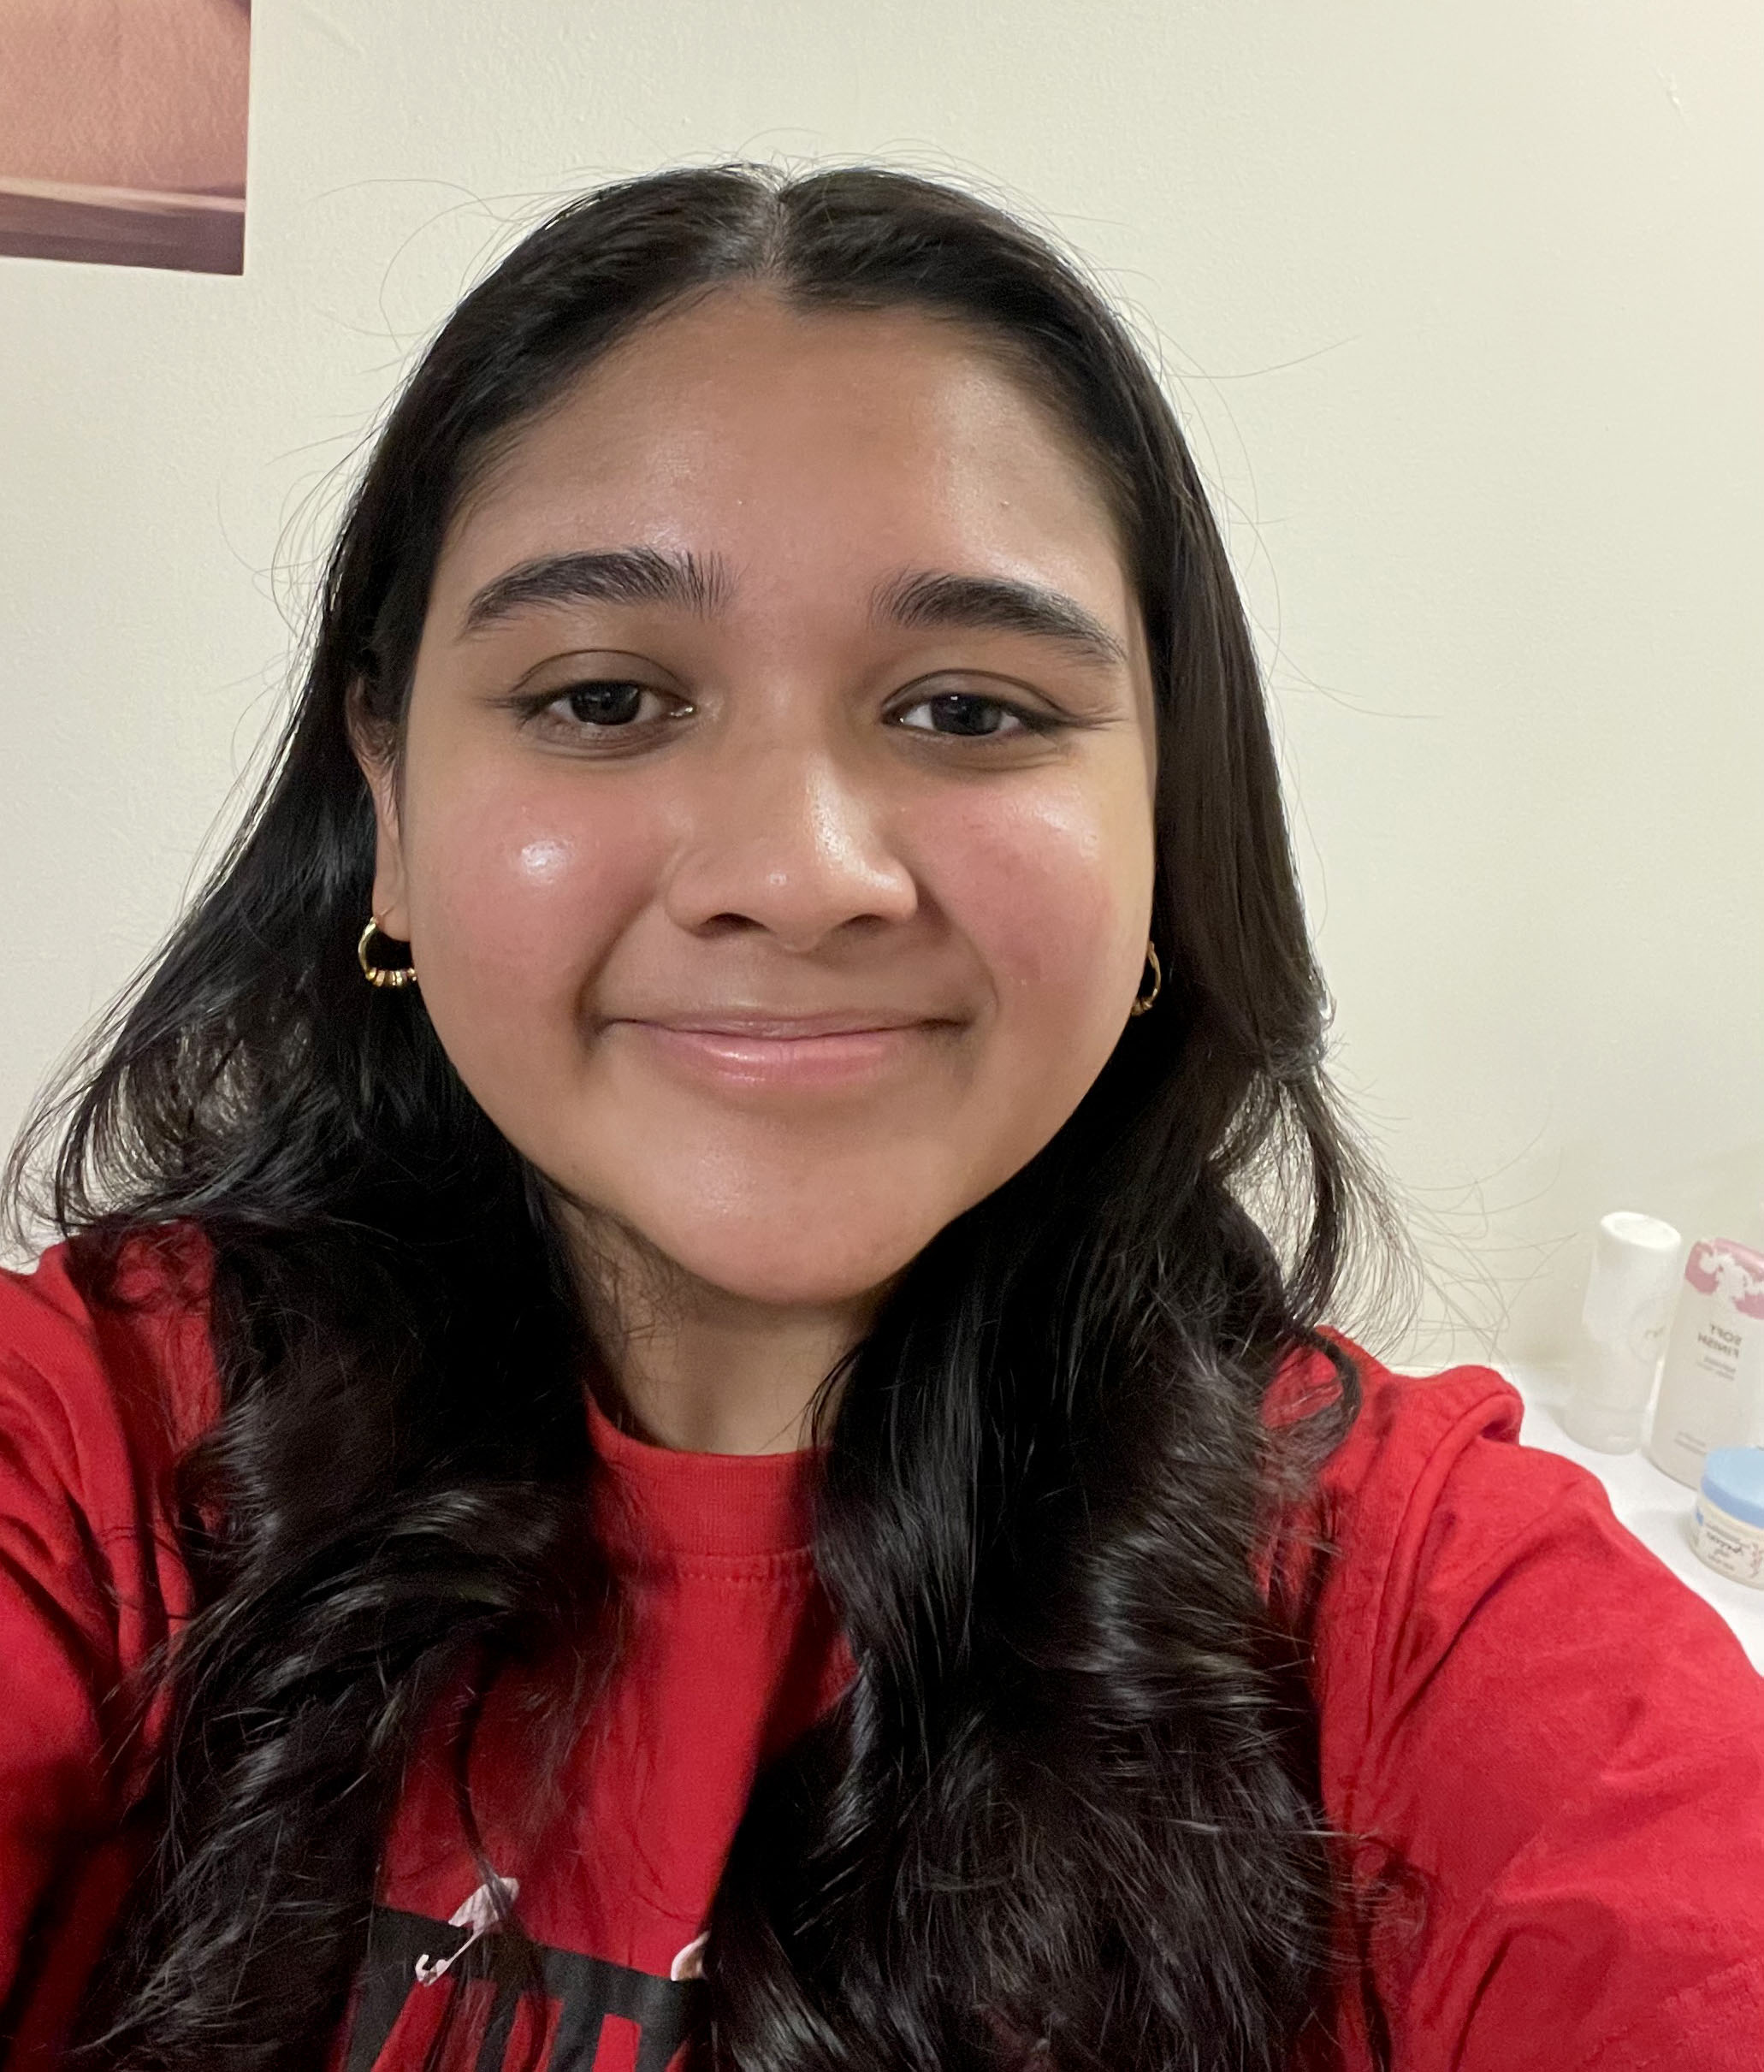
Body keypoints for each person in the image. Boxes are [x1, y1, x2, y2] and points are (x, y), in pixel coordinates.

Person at [0, 164, 1759, 2072]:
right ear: (391, 793)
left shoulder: (1430, 1631)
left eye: (970, 711)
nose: (797, 869)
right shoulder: (107, 1464)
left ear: (1164, 826)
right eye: (600, 695)